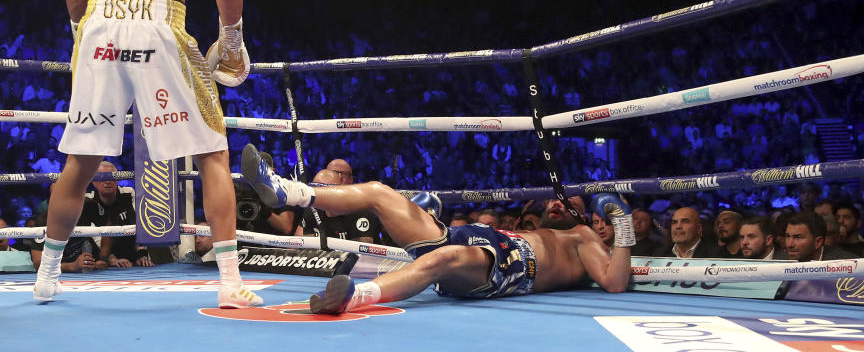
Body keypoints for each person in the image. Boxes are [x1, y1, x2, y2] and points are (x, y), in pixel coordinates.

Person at [33, 0, 260, 308]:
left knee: (80, 161)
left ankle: (47, 275)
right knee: (213, 150)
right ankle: (230, 281)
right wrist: (233, 38)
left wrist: (82, 32)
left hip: (99, 27)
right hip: (159, 25)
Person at [241, 144, 632, 314]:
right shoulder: (538, 226)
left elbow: (614, 282)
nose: (557, 203)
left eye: (570, 205)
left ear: (585, 220)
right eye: (555, 199)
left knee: (444, 257)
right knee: (379, 192)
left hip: (506, 266)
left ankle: (352, 298)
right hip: (473, 242)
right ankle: (287, 191)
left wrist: (623, 223)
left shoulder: (581, 239)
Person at [297, 170, 381, 243]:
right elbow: (306, 248)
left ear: (338, 190)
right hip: (327, 259)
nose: (317, 195)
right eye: (315, 190)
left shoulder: (360, 211)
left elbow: (363, 252)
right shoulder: (312, 211)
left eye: (322, 190)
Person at [784, 212, 857, 262]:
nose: (790, 244)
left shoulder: (847, 264)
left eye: (798, 237)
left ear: (818, 242)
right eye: (787, 236)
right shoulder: (779, 261)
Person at [653, 207, 719, 258]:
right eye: (674, 222)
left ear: (698, 229)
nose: (678, 226)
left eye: (685, 221)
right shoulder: (659, 254)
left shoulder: (715, 254)